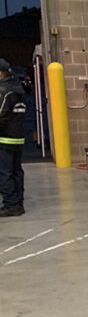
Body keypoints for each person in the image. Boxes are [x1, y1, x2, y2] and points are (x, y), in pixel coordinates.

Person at [0, 58, 26, 217]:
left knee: (4, 173)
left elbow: (1, 116)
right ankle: (18, 203)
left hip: (4, 139)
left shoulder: (3, 91)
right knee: (16, 172)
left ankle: (10, 205)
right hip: (18, 138)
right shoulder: (19, 89)